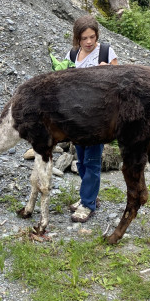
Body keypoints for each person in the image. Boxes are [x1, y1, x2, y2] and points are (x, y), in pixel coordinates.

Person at [65, 15, 118, 223]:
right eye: (84, 38)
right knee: (81, 161)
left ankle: (87, 204)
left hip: (98, 119)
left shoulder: (105, 52)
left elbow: (119, 85)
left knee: (93, 161)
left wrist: (107, 72)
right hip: (77, 118)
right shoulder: (71, 55)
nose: (89, 42)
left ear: (97, 36)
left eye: (92, 37)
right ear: (77, 38)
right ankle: (88, 197)